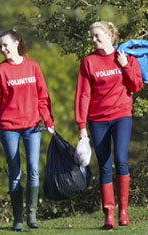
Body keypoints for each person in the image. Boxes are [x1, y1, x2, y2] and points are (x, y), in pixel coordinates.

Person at [0, 28, 54, 231]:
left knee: (34, 169)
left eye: (5, 45)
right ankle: (17, 219)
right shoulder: (0, 71)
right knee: (15, 172)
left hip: (32, 126)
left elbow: (43, 96)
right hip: (9, 127)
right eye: (0, 46)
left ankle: (31, 216)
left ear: (17, 43)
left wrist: (48, 120)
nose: (2, 49)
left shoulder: (33, 67)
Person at [74, 21, 142, 230]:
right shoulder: (88, 62)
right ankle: (109, 215)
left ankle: (123, 211)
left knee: (121, 160)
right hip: (97, 120)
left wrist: (124, 65)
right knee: (104, 165)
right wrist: (81, 125)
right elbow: (83, 95)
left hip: (122, 115)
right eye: (91, 37)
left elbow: (136, 86)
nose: (93, 40)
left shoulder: (127, 57)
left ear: (110, 35)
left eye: (97, 36)